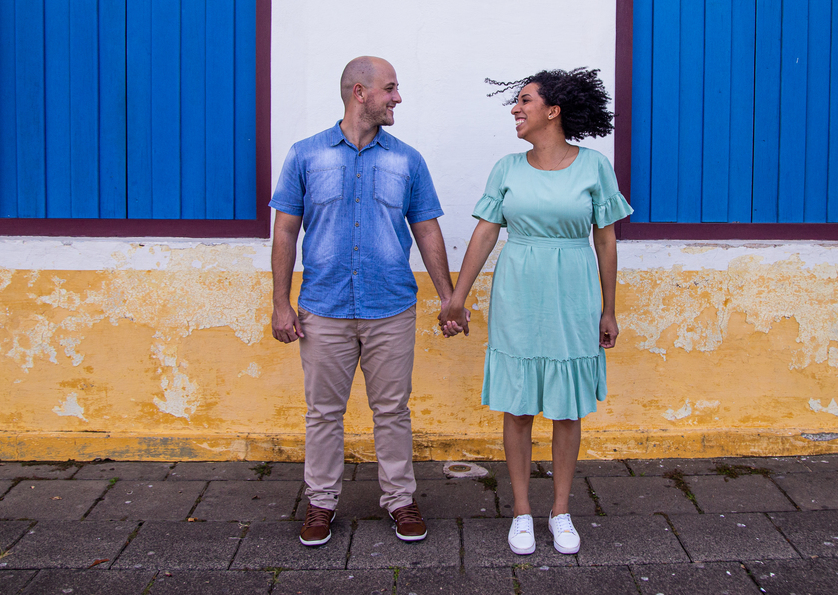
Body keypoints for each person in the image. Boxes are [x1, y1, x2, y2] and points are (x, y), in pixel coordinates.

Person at [439, 68, 632, 556]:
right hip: (519, 289)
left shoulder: (594, 167)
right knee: (520, 404)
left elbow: (605, 241)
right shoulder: (507, 167)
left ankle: (561, 511)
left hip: (573, 289)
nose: (515, 109)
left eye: (525, 101)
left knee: (566, 408)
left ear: (553, 110)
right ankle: (522, 513)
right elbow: (485, 233)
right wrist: (457, 297)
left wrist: (610, 309)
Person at [270, 55, 458, 547]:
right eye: (390, 88)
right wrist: (280, 302)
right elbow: (286, 230)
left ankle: (400, 499)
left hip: (390, 307)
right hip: (322, 307)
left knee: (393, 410)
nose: (398, 97)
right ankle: (320, 502)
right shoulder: (305, 155)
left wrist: (448, 298)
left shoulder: (407, 160)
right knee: (323, 412)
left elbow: (427, 228)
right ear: (360, 92)